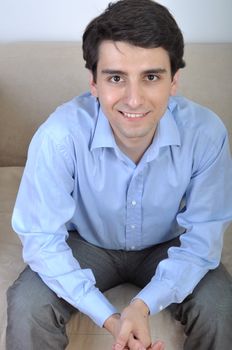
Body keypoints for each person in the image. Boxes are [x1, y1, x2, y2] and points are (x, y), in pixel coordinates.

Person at [6, 0, 232, 349]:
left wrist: (141, 307)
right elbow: (42, 238)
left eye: (151, 77)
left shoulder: (206, 133)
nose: (134, 99)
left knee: (220, 304)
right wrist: (113, 320)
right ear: (94, 83)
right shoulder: (59, 135)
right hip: (86, 243)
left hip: (166, 244)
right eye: (115, 77)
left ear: (174, 81)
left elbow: (203, 239)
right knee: (28, 304)